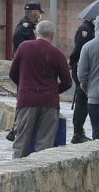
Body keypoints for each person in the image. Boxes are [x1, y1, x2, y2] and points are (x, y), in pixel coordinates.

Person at [8, 19, 72, 157]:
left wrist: (25, 87)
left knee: (21, 142)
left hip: (26, 101)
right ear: (52, 35)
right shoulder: (58, 54)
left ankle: (17, 172)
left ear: (36, 32)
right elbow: (67, 82)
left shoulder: (24, 47)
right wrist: (53, 91)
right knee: (44, 145)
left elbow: (12, 72)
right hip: (49, 103)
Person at [68, 18, 97, 143]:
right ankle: (78, 132)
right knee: (82, 100)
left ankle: (79, 131)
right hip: (81, 69)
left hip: (85, 69)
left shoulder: (90, 29)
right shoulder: (85, 30)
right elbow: (80, 51)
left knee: (84, 101)